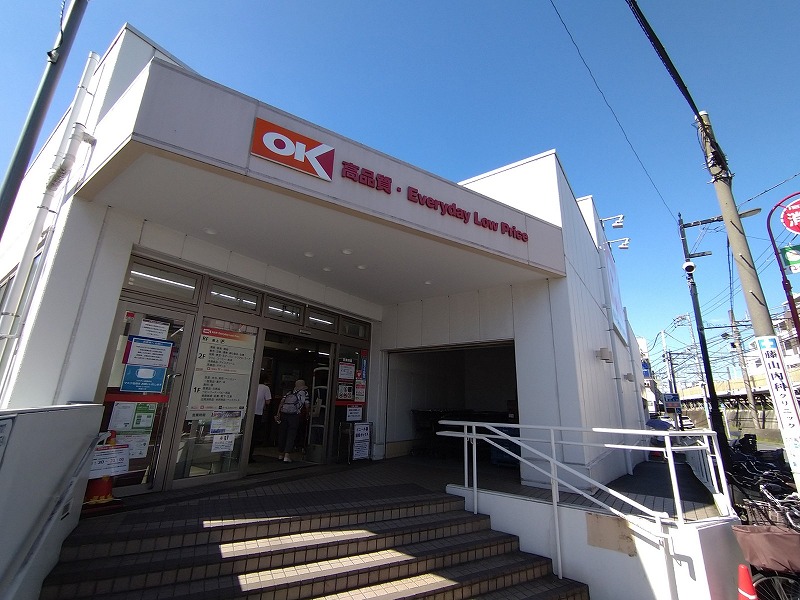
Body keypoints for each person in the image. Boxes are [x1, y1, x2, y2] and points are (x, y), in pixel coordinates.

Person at [276, 379, 309, 463]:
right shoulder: (304, 393)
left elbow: (281, 402)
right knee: (291, 434)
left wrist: (278, 413)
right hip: (294, 415)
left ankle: (280, 454)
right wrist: (307, 414)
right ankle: (287, 456)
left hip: (284, 414)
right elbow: (307, 405)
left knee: (282, 433)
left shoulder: (289, 392)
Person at [248, 374, 271, 462]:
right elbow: (268, 401)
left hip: (248, 412)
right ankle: (249, 456)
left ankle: (243, 455)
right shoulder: (265, 388)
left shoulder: (252, 385)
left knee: (247, 433)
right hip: (258, 412)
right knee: (254, 434)